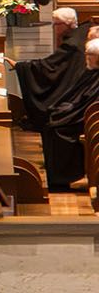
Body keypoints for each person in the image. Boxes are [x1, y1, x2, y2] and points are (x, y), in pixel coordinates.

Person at [10, 8, 95, 133]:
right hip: (81, 85)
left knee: (55, 120)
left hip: (80, 95)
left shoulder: (70, 44)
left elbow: (49, 67)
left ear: (66, 24)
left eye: (56, 24)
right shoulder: (83, 31)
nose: (53, 28)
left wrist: (20, 66)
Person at [41, 38, 99, 190]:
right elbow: (77, 98)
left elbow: (87, 106)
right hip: (79, 114)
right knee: (51, 121)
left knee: (57, 129)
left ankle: (62, 178)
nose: (86, 58)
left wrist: (65, 112)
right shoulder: (91, 72)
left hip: (87, 121)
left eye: (89, 55)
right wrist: (62, 109)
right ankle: (55, 176)